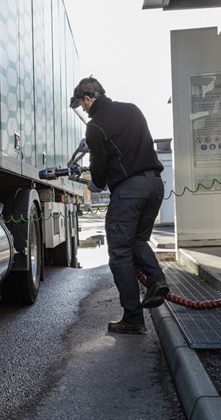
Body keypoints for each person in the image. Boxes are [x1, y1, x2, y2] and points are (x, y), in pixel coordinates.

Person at [70, 76, 169, 334]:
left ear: (88, 98)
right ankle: (156, 279)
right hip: (155, 186)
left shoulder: (95, 127)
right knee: (136, 241)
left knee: (119, 254)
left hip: (129, 192)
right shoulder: (132, 109)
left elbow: (100, 175)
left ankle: (133, 318)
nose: (84, 110)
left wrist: (92, 184)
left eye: (82, 105)